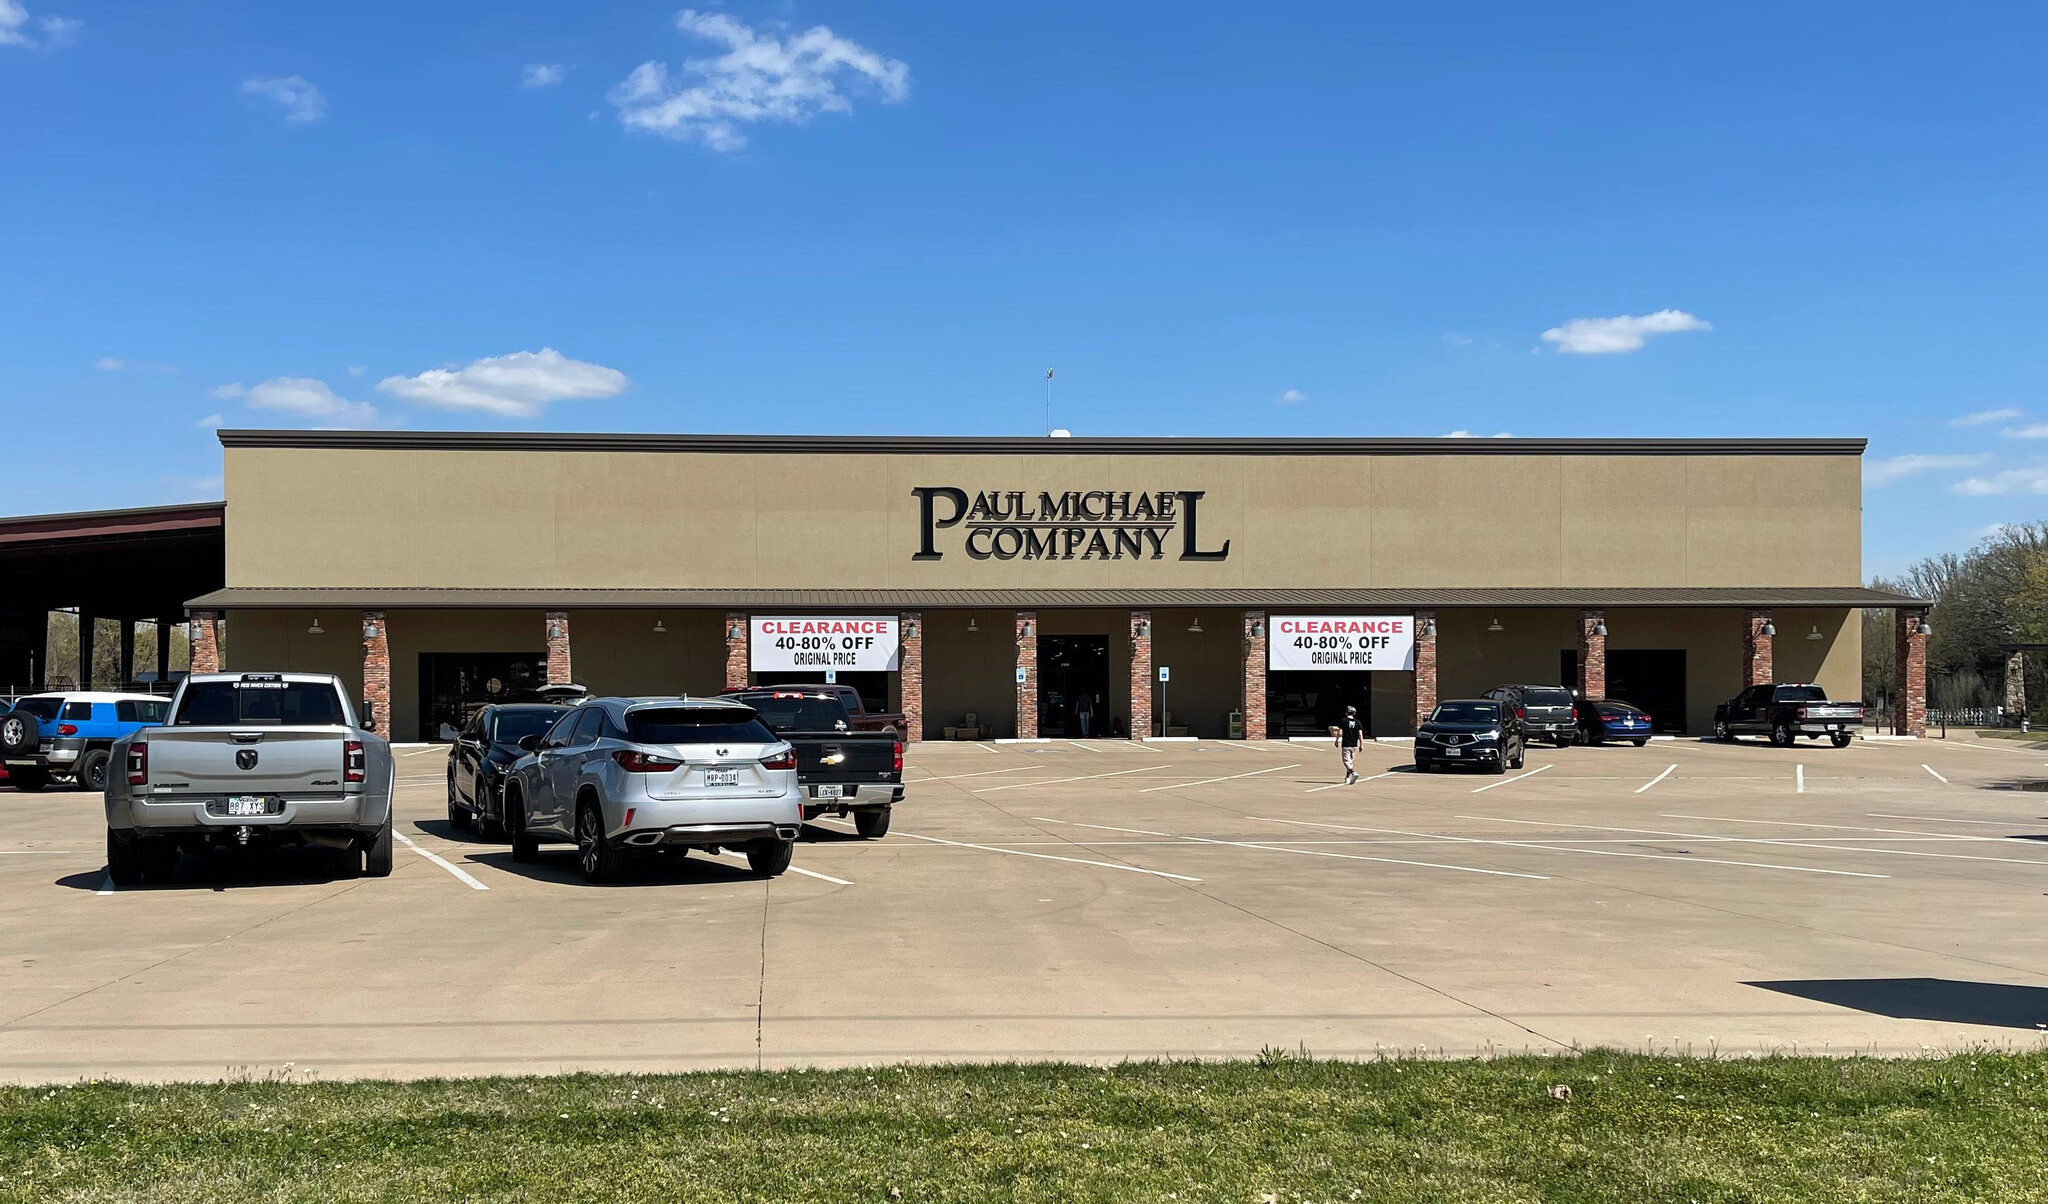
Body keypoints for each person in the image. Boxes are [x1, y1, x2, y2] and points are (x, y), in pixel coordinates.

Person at [1336, 705, 1364, 784]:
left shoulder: (1343, 721)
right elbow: (1360, 734)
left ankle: (1353, 772)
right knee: (1350, 761)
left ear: (1346, 713)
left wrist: (1337, 740)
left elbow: (1340, 732)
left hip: (1346, 744)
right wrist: (1361, 744)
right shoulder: (1358, 722)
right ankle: (1347, 777)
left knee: (1346, 761)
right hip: (1354, 745)